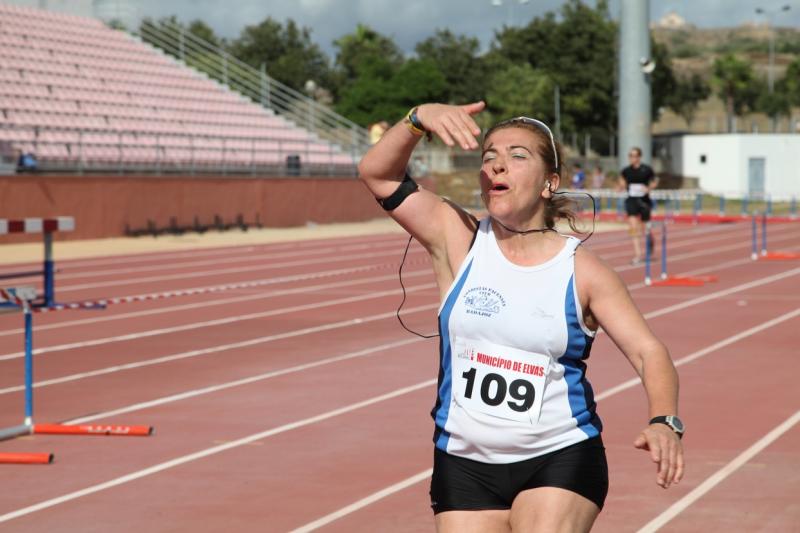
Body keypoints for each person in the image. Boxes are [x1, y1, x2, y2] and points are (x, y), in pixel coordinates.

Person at [358, 102, 684, 533]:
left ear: (550, 183)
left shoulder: (583, 270)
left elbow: (648, 351)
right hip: (464, 460)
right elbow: (378, 174)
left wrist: (664, 420)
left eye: (516, 156)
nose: (497, 166)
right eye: (489, 156)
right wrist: (417, 120)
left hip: (558, 453)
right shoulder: (458, 239)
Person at [618, 147, 658, 265]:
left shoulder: (646, 169)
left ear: (639, 157)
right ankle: (638, 255)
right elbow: (622, 182)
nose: (632, 158)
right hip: (631, 201)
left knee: (645, 228)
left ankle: (650, 238)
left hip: (644, 201)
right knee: (633, 227)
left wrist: (649, 188)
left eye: (634, 155)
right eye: (630, 155)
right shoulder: (626, 170)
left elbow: (655, 181)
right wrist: (620, 187)